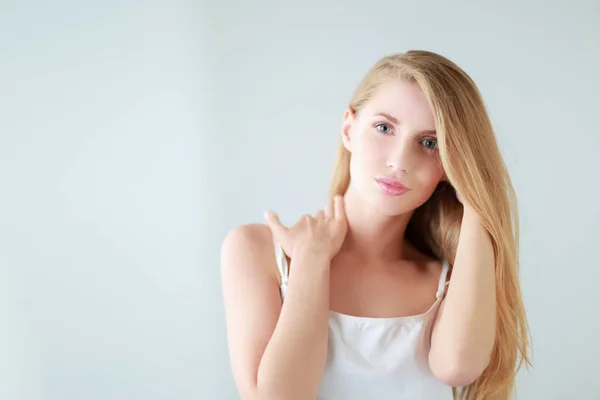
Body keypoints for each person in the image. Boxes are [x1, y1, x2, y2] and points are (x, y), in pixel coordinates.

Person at [221, 50, 532, 400]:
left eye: (429, 143)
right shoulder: (258, 250)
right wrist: (310, 262)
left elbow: (458, 367)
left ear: (450, 166)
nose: (399, 161)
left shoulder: (447, 282)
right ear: (348, 129)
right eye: (384, 128)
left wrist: (479, 199)